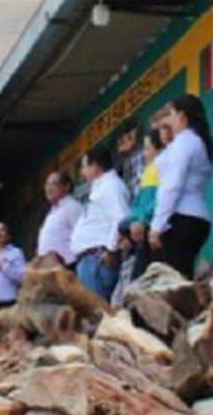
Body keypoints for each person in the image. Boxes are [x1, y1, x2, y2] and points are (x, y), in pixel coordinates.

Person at [149, 95, 213, 278]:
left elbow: (172, 185)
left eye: (171, 114)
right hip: (195, 218)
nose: (168, 120)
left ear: (182, 116)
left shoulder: (185, 141)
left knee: (172, 282)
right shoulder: (196, 141)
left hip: (182, 218)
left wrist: (157, 225)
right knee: (179, 277)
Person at [70, 144, 130, 302]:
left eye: (84, 167)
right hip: (90, 262)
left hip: (97, 261)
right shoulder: (101, 186)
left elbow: (121, 219)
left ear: (95, 166)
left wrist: (111, 250)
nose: (82, 173)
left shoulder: (111, 186)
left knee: (98, 316)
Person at [128, 126, 169, 280]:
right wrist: (133, 221)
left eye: (147, 149)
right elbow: (138, 201)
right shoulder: (148, 171)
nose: (143, 154)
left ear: (159, 149)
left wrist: (142, 220)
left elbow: (159, 199)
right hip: (142, 229)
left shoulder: (162, 167)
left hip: (155, 230)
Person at [36, 172, 83, 266]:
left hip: (67, 267)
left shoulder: (72, 207)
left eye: (54, 184)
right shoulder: (53, 211)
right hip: (49, 268)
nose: (48, 189)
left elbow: (82, 236)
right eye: (46, 185)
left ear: (66, 186)